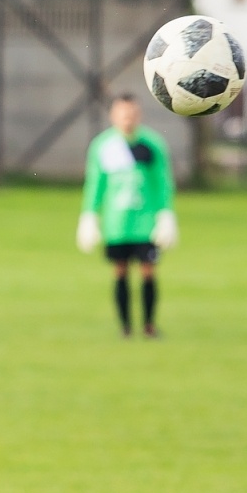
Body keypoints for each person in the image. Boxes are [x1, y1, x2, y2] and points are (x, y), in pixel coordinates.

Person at [76, 93, 178, 338]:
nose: (127, 119)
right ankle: (125, 327)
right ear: (113, 116)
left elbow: (162, 182)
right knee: (120, 271)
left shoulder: (151, 145)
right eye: (123, 114)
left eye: (132, 114)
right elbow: (95, 183)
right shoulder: (103, 146)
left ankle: (149, 325)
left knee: (148, 271)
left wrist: (166, 214)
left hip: (146, 223)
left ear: (138, 115)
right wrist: (89, 215)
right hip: (117, 224)